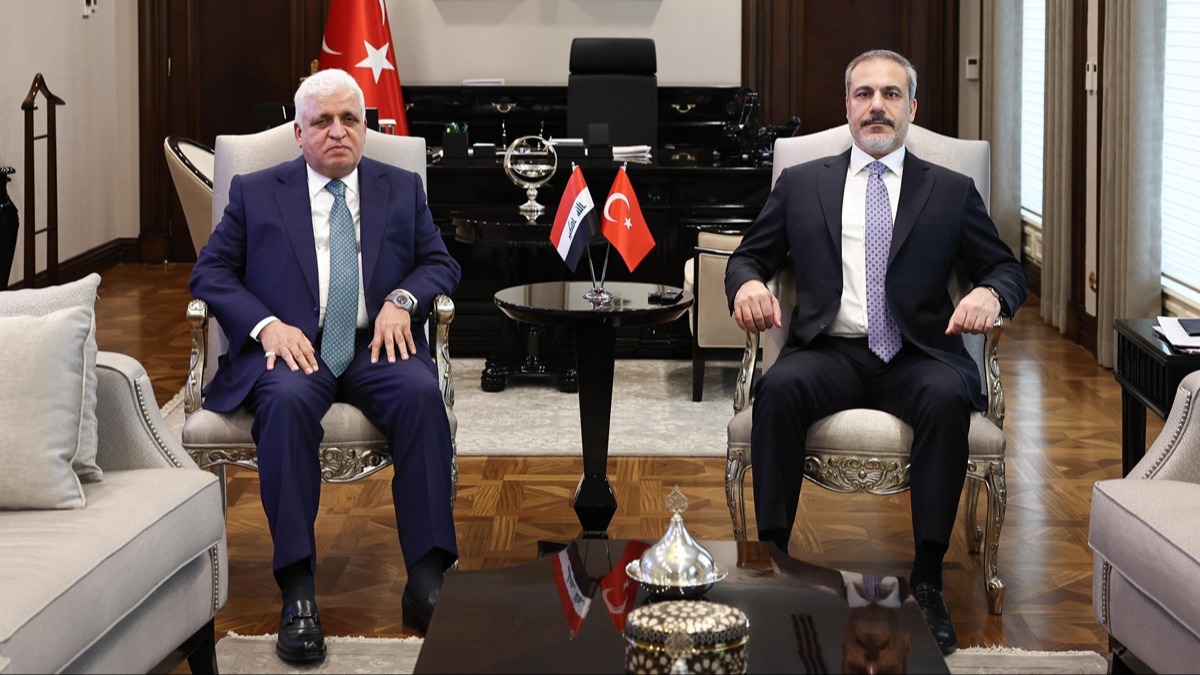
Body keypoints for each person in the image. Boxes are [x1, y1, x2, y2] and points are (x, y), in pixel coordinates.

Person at [724, 49, 1026, 656]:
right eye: (864, 94)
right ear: (847, 106)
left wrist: (991, 293)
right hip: (830, 349)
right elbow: (748, 257)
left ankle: (928, 579)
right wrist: (749, 284)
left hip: (918, 354)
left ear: (912, 106)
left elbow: (1004, 267)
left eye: (891, 94)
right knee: (777, 389)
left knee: (945, 398)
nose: (877, 106)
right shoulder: (802, 183)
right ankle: (779, 566)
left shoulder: (950, 191)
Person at [190, 68, 460, 663]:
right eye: (322, 121)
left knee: (421, 394)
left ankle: (426, 579)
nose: (338, 131)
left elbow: (440, 263)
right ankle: (298, 593)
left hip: (373, 345)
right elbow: (210, 272)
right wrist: (266, 325)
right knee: (285, 405)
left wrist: (402, 300)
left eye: (350, 119)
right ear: (299, 132)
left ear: (364, 127)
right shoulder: (256, 192)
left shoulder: (400, 186)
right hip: (293, 348)